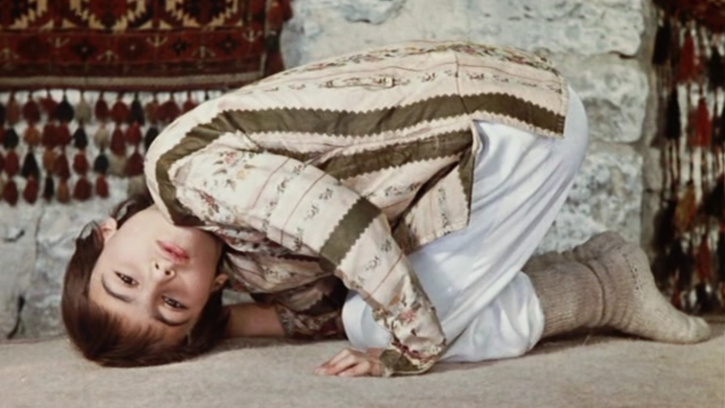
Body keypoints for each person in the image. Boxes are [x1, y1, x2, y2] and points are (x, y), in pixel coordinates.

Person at [61, 40, 710, 377]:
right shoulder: (243, 255)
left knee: (381, 328)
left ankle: (603, 287)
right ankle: (596, 274)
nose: (160, 277)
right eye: (171, 305)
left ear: (104, 232)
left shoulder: (186, 176)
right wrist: (219, 323)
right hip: (494, 122)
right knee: (361, 311)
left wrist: (409, 350)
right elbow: (316, 314)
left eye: (125, 279)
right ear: (210, 294)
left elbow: (336, 222)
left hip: (509, 126)